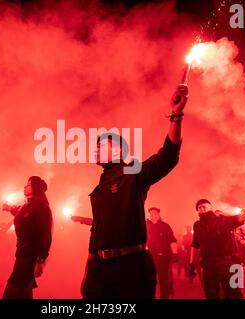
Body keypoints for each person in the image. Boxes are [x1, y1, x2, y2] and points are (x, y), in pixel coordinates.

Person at [82, 84, 188, 299]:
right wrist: (89, 270)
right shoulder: (100, 185)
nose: (96, 149)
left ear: (120, 150)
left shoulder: (132, 172)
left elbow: (167, 157)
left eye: (102, 146)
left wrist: (176, 116)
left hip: (130, 268)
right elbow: (98, 231)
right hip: (99, 270)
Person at [189, 197, 245, 299]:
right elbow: (195, 245)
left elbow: (243, 217)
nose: (202, 208)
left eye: (204, 206)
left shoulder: (224, 221)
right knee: (210, 293)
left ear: (210, 207)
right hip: (208, 264)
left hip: (230, 262)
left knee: (234, 293)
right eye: (199, 207)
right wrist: (192, 264)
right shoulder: (197, 225)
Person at [2, 176, 53, 299]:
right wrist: (9, 208)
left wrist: (40, 260)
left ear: (35, 188)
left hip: (30, 256)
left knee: (11, 292)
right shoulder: (27, 206)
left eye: (28, 185)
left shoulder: (41, 208)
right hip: (21, 254)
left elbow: (45, 235)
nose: (25, 187)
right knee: (23, 292)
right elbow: (21, 213)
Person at [146, 207, 177, 299]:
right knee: (150, 280)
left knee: (163, 280)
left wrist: (175, 253)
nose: (151, 214)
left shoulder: (165, 226)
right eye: (150, 213)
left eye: (154, 213)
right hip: (149, 257)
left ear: (158, 215)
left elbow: (172, 240)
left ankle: (164, 296)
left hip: (163, 257)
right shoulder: (146, 225)